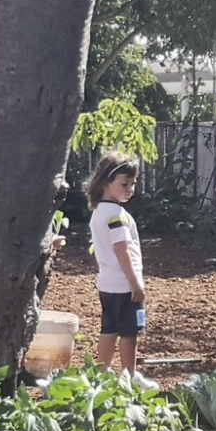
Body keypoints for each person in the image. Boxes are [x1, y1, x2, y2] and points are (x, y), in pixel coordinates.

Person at [85, 152, 159, 390]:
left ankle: (100, 373)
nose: (130, 189)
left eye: (133, 183)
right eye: (124, 184)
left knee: (110, 328)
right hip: (124, 285)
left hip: (106, 284)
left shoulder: (99, 212)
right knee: (129, 332)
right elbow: (122, 250)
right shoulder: (117, 215)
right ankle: (130, 376)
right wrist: (135, 283)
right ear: (106, 183)